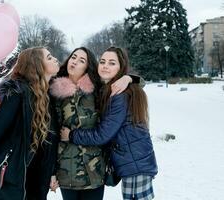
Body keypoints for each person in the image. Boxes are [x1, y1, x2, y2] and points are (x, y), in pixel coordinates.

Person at [0, 47, 60, 200]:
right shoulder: (18, 92)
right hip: (16, 170)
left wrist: (52, 172)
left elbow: (51, 140)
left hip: (39, 173)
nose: (54, 59)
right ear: (37, 65)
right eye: (49, 57)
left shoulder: (48, 95)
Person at [60, 47, 158, 200]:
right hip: (133, 161)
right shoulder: (109, 88)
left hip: (135, 163)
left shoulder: (119, 94)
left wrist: (71, 135)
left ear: (121, 68)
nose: (105, 66)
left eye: (112, 63)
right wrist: (129, 78)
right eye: (103, 61)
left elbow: (103, 135)